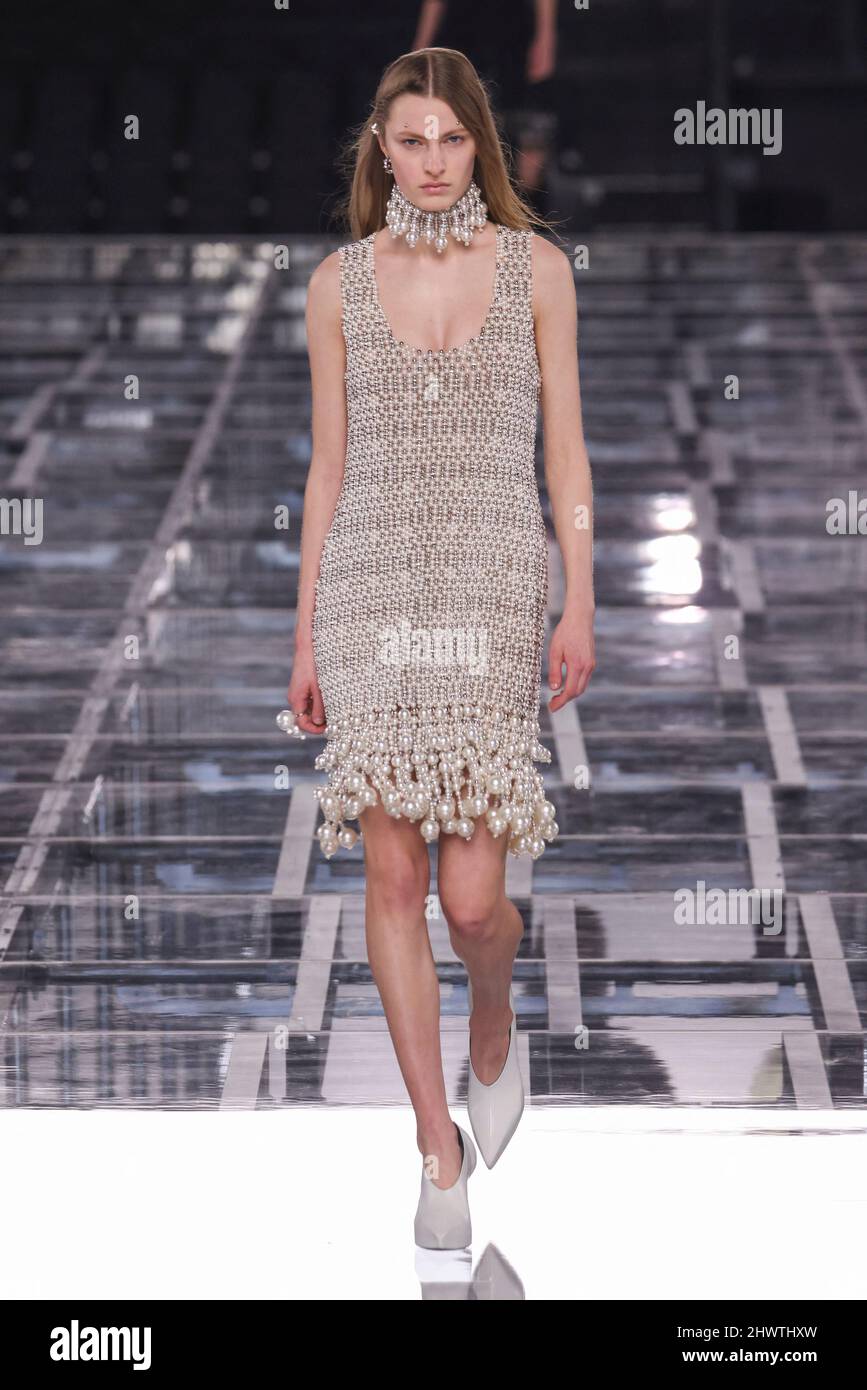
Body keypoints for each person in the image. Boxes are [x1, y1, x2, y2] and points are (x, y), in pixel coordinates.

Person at [282, 47, 594, 1248]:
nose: (427, 162)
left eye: (448, 140)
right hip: (368, 585)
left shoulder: (537, 272)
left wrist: (583, 594)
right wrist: (306, 625)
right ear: (380, 147)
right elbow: (326, 467)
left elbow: (565, 456)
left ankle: (496, 1017)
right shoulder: (338, 285)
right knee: (394, 877)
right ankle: (434, 1148)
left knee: (474, 899)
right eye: (406, 140)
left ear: (481, 147)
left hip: (494, 581)